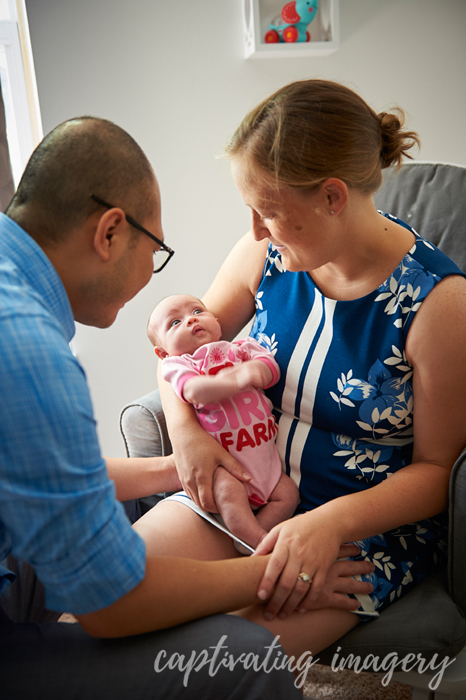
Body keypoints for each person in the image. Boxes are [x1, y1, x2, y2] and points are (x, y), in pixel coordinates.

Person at [0, 115, 373, 699]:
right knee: (246, 657)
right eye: (159, 249)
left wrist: (178, 465)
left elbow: (37, 475)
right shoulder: (28, 349)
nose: (156, 272)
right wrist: (271, 574)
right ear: (110, 234)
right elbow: (110, 606)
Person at [132, 79, 466, 659]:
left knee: (208, 664)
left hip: (355, 531)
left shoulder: (440, 306)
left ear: (333, 197)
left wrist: (327, 525)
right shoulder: (264, 257)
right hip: (244, 492)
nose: (256, 231)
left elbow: (439, 472)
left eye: (270, 213)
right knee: (103, 597)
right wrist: (185, 435)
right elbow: (179, 357)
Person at [147, 293, 300, 550]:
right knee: (230, 496)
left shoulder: (242, 348)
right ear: (162, 352)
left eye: (197, 311)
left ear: (217, 322)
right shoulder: (180, 365)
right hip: (225, 468)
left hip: (266, 464)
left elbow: (270, 370)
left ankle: (258, 531)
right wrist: (235, 380)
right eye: (175, 322)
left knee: (288, 495)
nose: (190, 320)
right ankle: (256, 542)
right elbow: (193, 390)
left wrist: (257, 370)